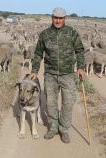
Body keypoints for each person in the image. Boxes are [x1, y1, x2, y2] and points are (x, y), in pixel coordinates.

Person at [30, 7, 85, 143]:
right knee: (51, 103)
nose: (58, 20)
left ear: (65, 19)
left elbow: (79, 51)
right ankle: (53, 127)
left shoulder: (72, 33)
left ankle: (64, 129)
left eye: (61, 18)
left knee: (68, 102)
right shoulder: (45, 34)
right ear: (52, 18)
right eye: (56, 18)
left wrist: (81, 67)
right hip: (50, 74)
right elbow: (38, 53)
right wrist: (34, 70)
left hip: (68, 74)